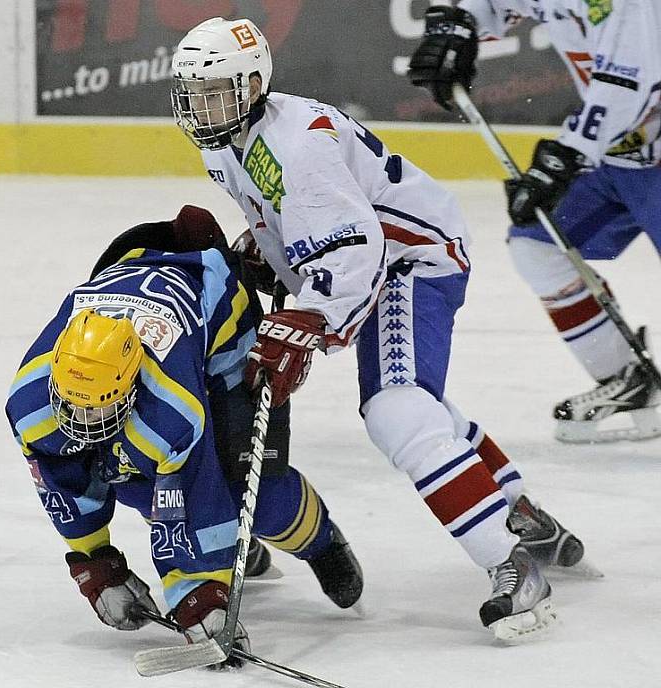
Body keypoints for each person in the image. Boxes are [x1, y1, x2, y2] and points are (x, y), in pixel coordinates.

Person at [169, 17, 588, 641]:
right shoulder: (227, 141)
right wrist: (270, 255)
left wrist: (310, 320)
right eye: (192, 95)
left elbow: (355, 249)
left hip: (409, 258)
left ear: (254, 85)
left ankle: (511, 563)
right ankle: (519, 513)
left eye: (215, 93)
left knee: (396, 407)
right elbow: (292, 218)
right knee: (419, 401)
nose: (201, 109)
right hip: (382, 256)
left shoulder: (298, 143)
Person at [4, 205, 363, 669]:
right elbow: (64, 482)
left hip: (219, 316)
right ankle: (237, 544)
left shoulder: (168, 410)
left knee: (247, 481)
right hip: (133, 281)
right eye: (72, 406)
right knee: (126, 469)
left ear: (131, 387)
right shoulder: (30, 404)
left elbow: (190, 496)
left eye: (100, 408)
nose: (83, 421)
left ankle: (322, 542)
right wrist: (95, 564)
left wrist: (200, 594)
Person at [408, 1, 661, 443]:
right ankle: (627, 378)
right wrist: (460, 25)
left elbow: (630, 79)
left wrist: (567, 154)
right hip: (619, 158)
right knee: (537, 245)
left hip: (630, 142)